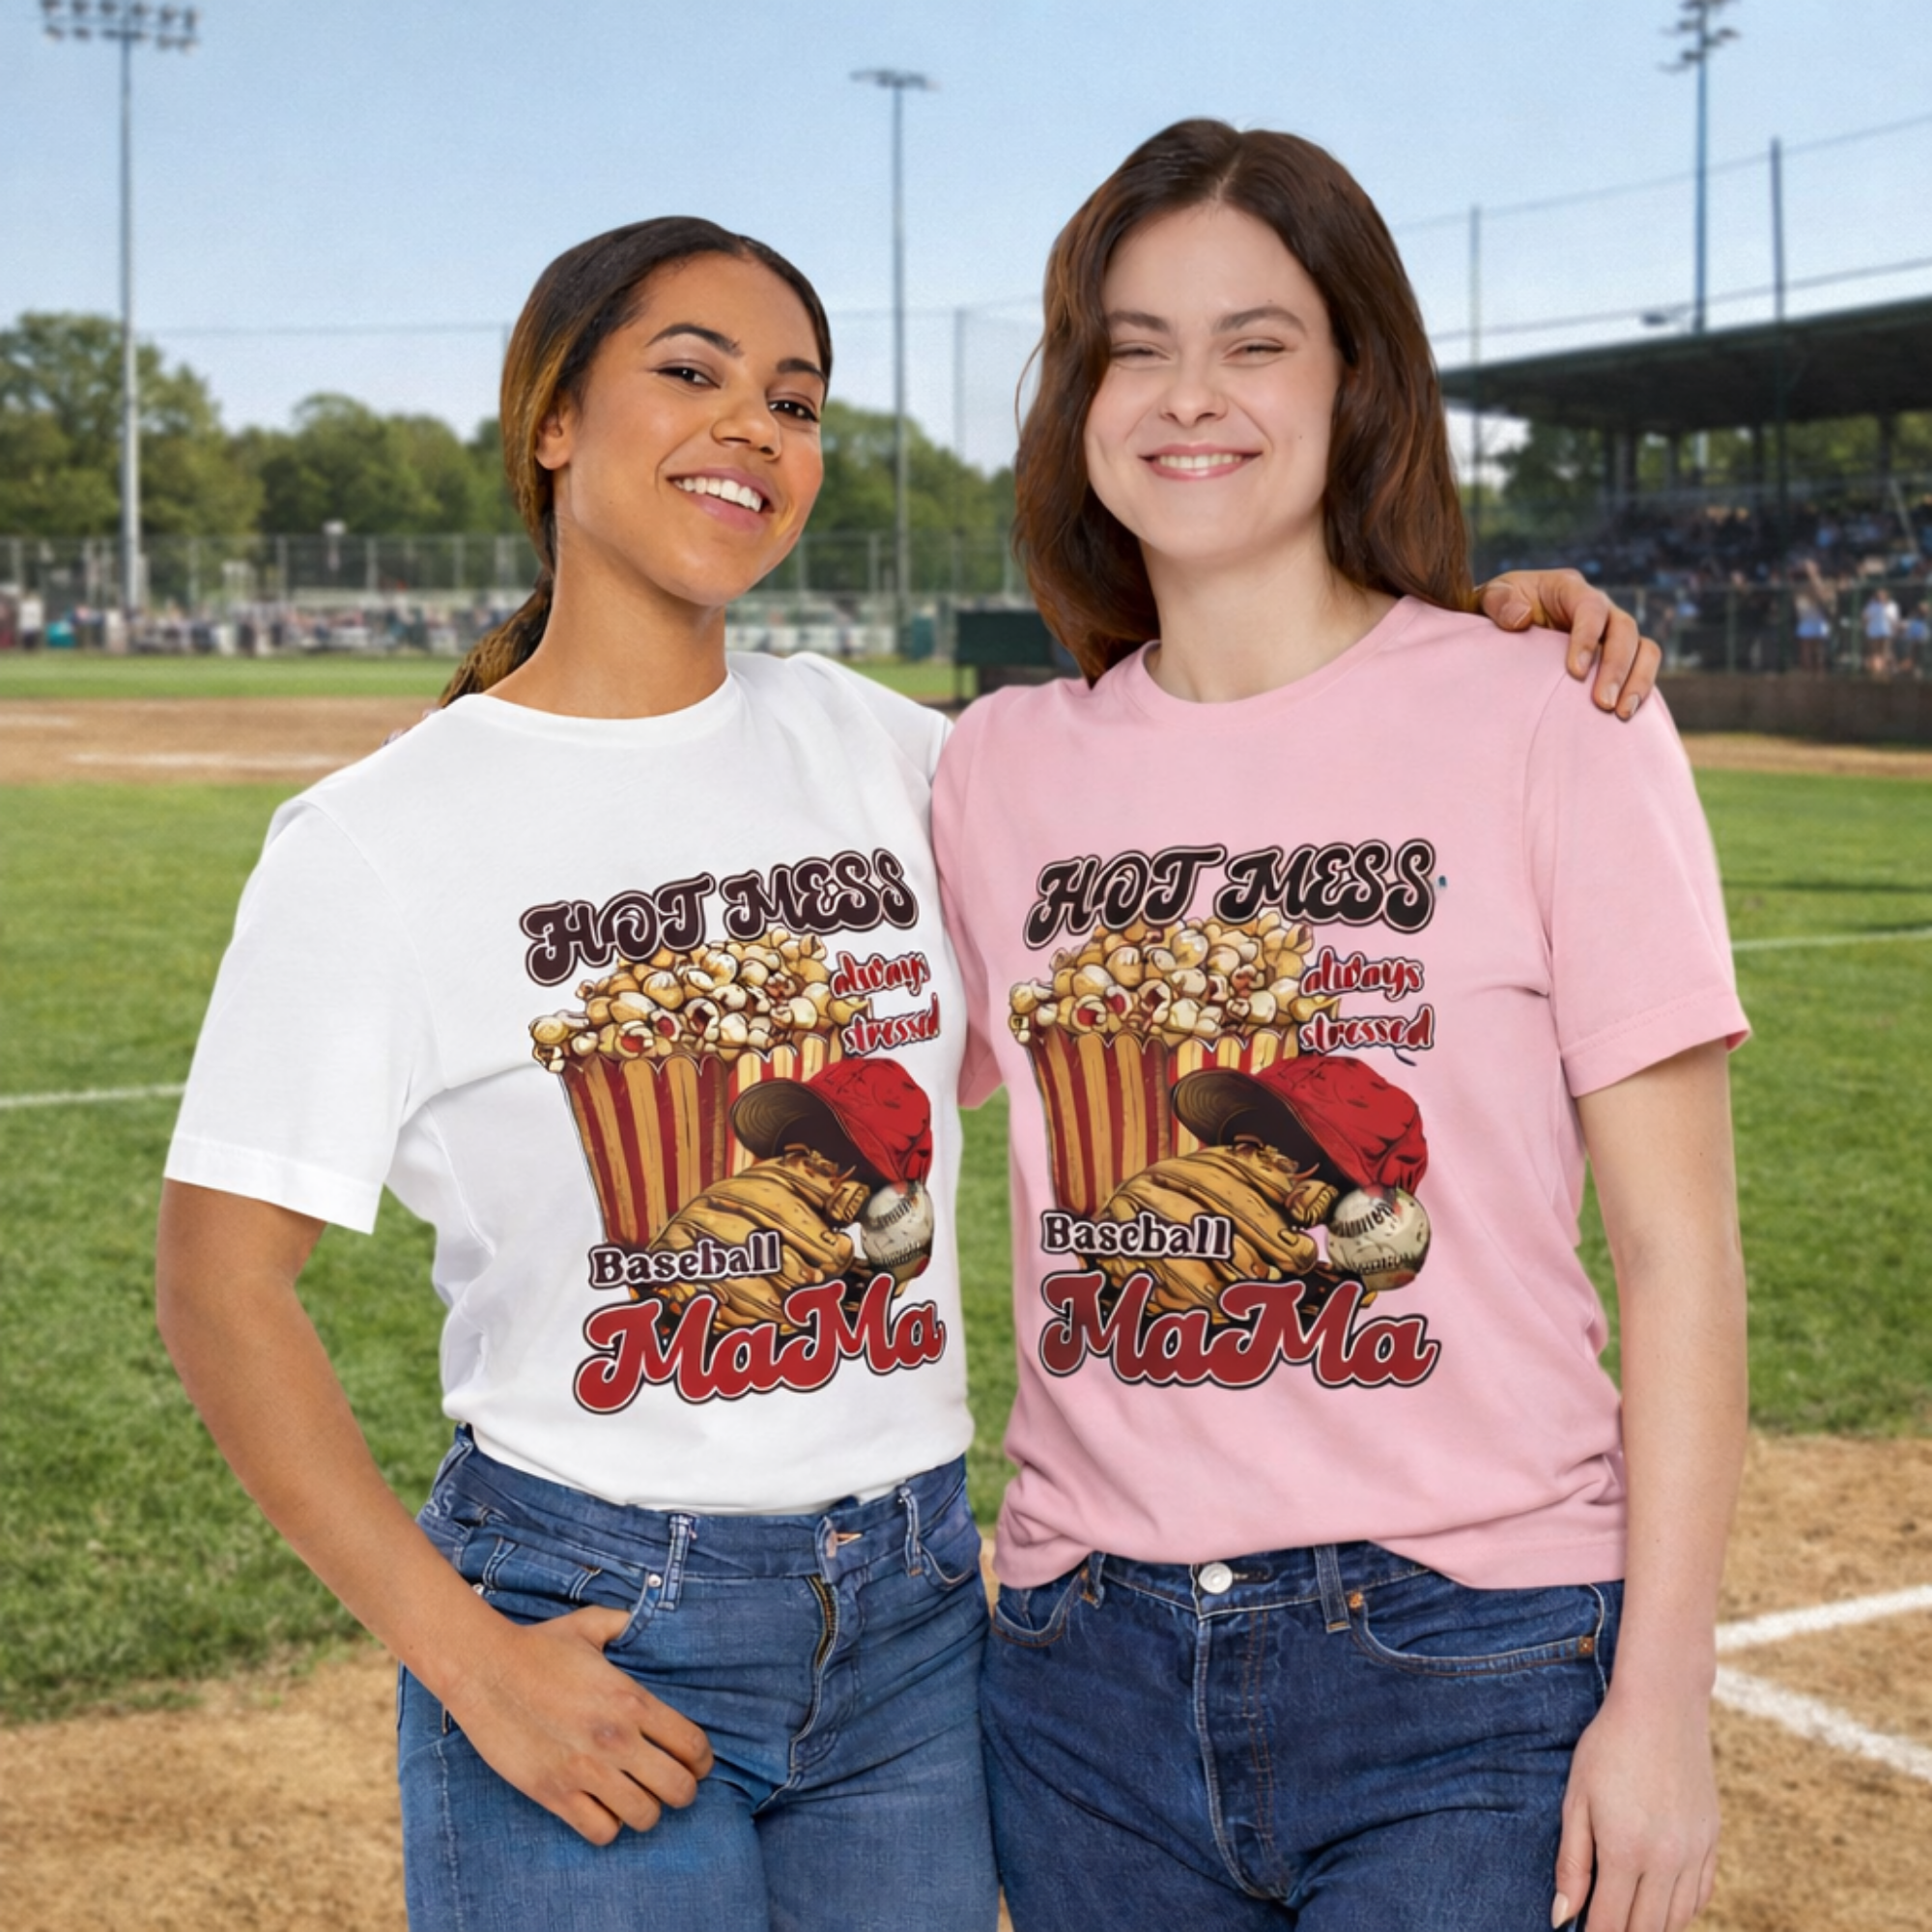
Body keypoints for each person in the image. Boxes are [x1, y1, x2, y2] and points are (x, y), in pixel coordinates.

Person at [155, 211, 1657, 1930]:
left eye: (795, 401)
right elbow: (219, 1283)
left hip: (920, 1641)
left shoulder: (900, 757)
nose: (754, 428)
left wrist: (1473, 633)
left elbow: (1213, 782)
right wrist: (469, 1663)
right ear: (551, 420)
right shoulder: (379, 840)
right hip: (593, 1610)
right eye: (692, 374)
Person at [933, 122, 1748, 1932]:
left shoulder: (1557, 718)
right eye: (1132, 345)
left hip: (1473, 1667)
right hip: (1082, 1677)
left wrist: (1666, 1701)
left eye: (1256, 339)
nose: (1186, 393)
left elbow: (1682, 1257)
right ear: (1078, 395)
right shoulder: (991, 773)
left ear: (1358, 375)